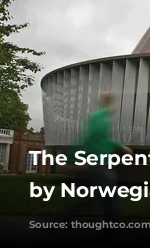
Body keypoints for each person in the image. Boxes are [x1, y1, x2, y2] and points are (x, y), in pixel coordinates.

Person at [56, 92, 133, 239]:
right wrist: (119, 147)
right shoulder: (101, 118)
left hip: (98, 164)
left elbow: (93, 138)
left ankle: (59, 220)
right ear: (110, 103)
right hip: (100, 164)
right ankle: (114, 235)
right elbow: (93, 138)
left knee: (92, 200)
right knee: (111, 203)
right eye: (113, 102)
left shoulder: (100, 117)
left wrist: (119, 146)